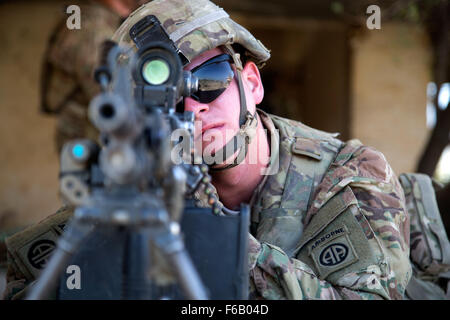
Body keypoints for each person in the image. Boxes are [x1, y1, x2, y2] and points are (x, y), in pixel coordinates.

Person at [3, 0, 413, 300]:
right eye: (163, 97)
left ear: (251, 83)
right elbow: (24, 280)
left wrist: (210, 231)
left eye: (210, 78)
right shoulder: (137, 186)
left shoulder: (349, 177)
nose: (193, 107)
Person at [41, 0, 146, 152]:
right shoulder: (93, 31)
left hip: (102, 142)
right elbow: (117, 97)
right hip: (90, 146)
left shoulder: (109, 23)